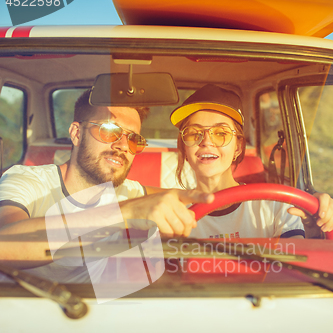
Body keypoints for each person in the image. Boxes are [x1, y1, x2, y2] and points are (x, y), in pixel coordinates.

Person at [0, 89, 213, 278]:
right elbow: (5, 245)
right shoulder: (27, 180)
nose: (122, 145)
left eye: (133, 139)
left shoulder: (130, 192)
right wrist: (125, 213)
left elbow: (199, 202)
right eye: (110, 131)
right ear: (76, 133)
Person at [170, 84, 333, 239]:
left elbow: (295, 263)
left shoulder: (276, 206)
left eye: (221, 133)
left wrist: (315, 232)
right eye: (193, 133)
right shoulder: (172, 214)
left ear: (238, 147)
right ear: (184, 148)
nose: (206, 141)